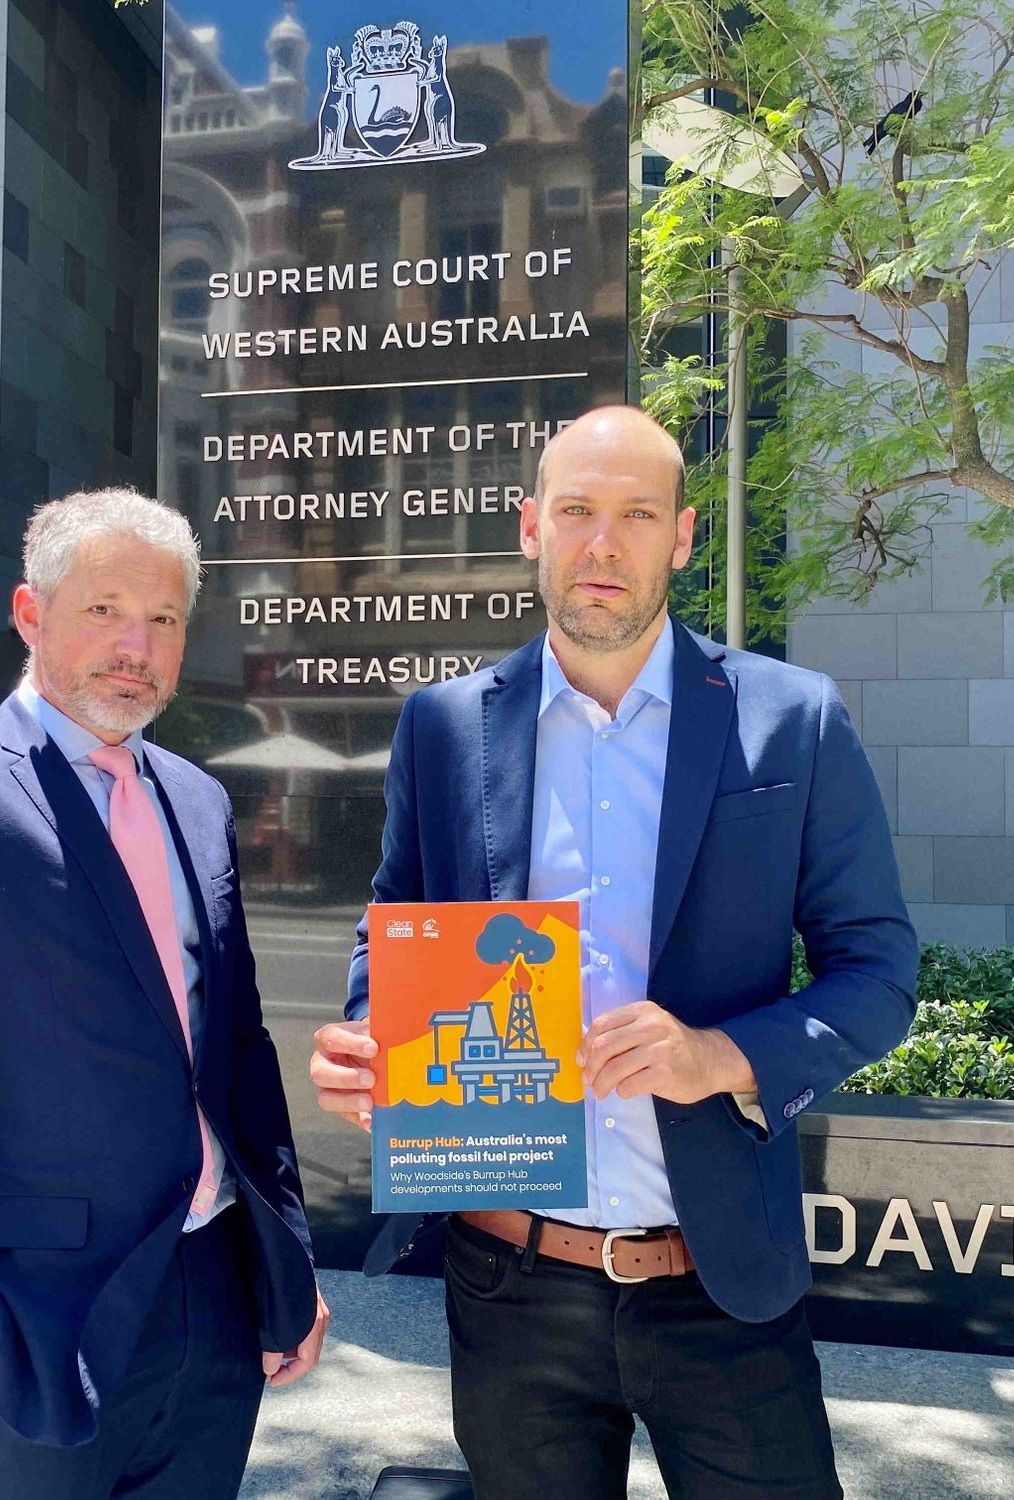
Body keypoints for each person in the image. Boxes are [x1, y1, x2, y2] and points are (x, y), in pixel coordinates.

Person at [309, 407, 918, 1499]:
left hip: (716, 1278)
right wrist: (372, 1039)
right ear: (528, 525)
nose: (603, 544)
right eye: (577, 511)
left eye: (635, 514)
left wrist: (719, 1056)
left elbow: (876, 976)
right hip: (509, 1282)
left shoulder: (792, 722)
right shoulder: (444, 727)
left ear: (680, 537)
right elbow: (394, 919)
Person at [0, 488, 328, 1500]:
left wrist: (284, 1270)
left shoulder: (198, 800)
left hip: (213, 1311)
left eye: (164, 619)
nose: (136, 645)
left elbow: (236, 1053)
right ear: (30, 613)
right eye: (103, 610)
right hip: (31, 1330)